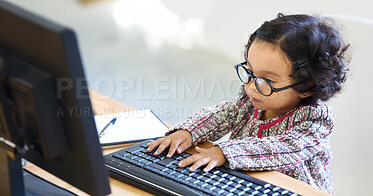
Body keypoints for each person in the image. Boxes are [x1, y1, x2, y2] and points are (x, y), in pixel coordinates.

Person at [146, 13, 350, 194]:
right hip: (244, 185)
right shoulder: (252, 102)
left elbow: (286, 147)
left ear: (307, 86)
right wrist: (188, 132)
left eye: (267, 81)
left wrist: (225, 152)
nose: (252, 87)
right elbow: (222, 114)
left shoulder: (316, 120)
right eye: (251, 73)